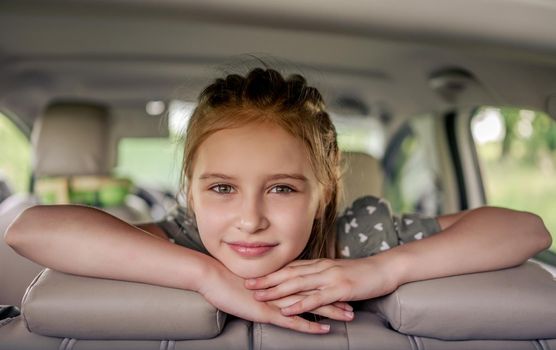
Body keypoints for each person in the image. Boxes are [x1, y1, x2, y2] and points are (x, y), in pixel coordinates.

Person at [4, 68, 552, 335]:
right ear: (189, 191)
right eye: (221, 188)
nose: (250, 219)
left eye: (283, 188)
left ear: (323, 192)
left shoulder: (357, 239)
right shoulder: (184, 240)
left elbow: (526, 229)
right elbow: (31, 230)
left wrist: (380, 271)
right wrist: (202, 276)